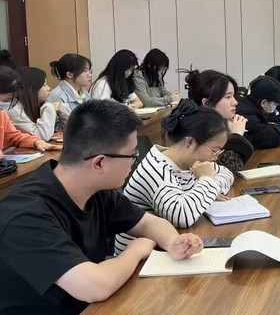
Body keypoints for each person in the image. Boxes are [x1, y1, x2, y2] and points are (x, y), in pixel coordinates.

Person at [0, 100, 203, 314]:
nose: (134, 162)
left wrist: (173, 243)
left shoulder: (95, 189)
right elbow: (95, 287)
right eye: (132, 155)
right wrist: (136, 250)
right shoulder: (24, 213)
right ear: (99, 163)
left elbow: (148, 223)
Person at [117, 99, 234, 253]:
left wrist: (208, 186)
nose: (215, 158)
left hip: (166, 246)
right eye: (214, 150)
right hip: (138, 256)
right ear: (190, 142)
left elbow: (227, 174)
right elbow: (182, 216)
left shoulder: (191, 162)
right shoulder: (156, 169)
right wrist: (206, 182)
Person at [184, 69, 253, 172]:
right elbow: (222, 171)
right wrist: (237, 136)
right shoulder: (196, 132)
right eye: (228, 97)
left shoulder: (225, 124)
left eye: (234, 96)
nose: (235, 102)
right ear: (206, 103)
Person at [0, 66, 62, 156]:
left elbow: (15, 137)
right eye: (6, 100)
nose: (10, 104)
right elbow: (42, 134)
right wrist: (49, 108)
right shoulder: (12, 110)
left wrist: (35, 142)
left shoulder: (2, 114)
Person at [237, 76, 280, 150]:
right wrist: (277, 126)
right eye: (275, 103)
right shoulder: (245, 115)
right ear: (263, 103)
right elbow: (274, 137)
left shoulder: (255, 107)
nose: (277, 106)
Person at [48, 53, 93, 125]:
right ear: (69, 74)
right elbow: (53, 127)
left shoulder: (86, 94)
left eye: (90, 71)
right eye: (85, 71)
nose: (90, 75)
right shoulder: (57, 96)